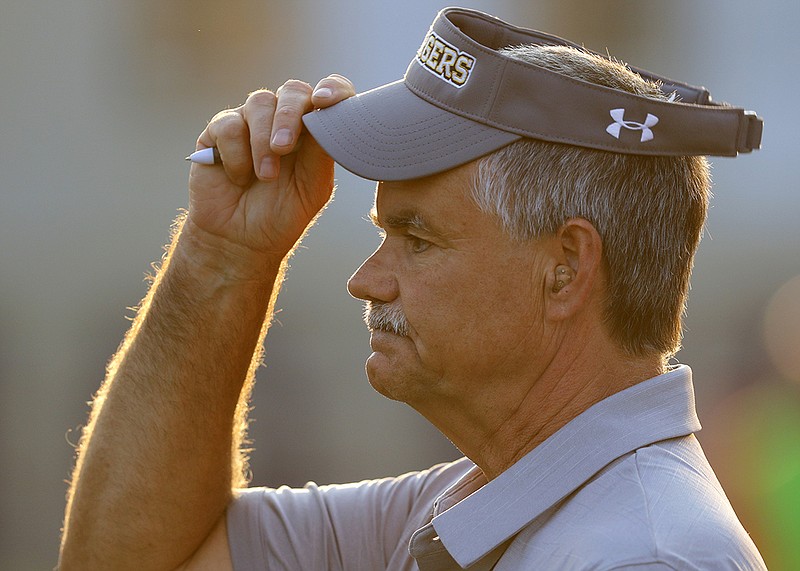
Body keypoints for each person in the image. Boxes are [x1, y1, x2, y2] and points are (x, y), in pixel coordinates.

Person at [59, 7, 766, 570]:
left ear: (566, 269)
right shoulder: (466, 509)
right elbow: (129, 558)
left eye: (417, 238)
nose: (366, 279)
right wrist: (222, 257)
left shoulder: (645, 555)